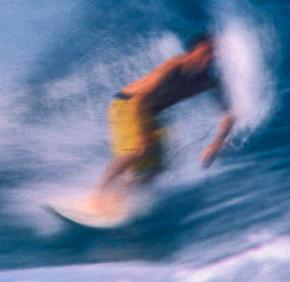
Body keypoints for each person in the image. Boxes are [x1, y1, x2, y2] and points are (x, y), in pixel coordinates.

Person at [91, 32, 234, 213]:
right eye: (206, 51)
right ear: (191, 51)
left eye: (214, 53)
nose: (210, 57)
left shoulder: (208, 81)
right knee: (138, 149)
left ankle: (119, 194)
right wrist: (142, 133)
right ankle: (98, 194)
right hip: (128, 103)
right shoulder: (173, 68)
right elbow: (139, 99)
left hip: (149, 111)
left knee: (157, 170)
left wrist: (216, 143)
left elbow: (229, 113)